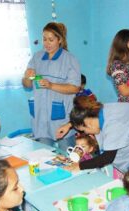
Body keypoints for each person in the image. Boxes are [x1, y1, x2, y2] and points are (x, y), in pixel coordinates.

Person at [56, 96, 129, 179]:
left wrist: (79, 166)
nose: (85, 133)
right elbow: (83, 115)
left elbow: (108, 158)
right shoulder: (97, 112)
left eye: (83, 130)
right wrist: (69, 125)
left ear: (88, 123)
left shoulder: (114, 124)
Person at [22, 22, 81, 152]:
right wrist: (27, 77)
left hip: (61, 119)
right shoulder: (37, 57)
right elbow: (27, 85)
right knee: (43, 157)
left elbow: (75, 88)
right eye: (44, 39)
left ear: (59, 40)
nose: (46, 43)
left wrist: (51, 85)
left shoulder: (70, 59)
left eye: (51, 40)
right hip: (40, 119)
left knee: (68, 158)